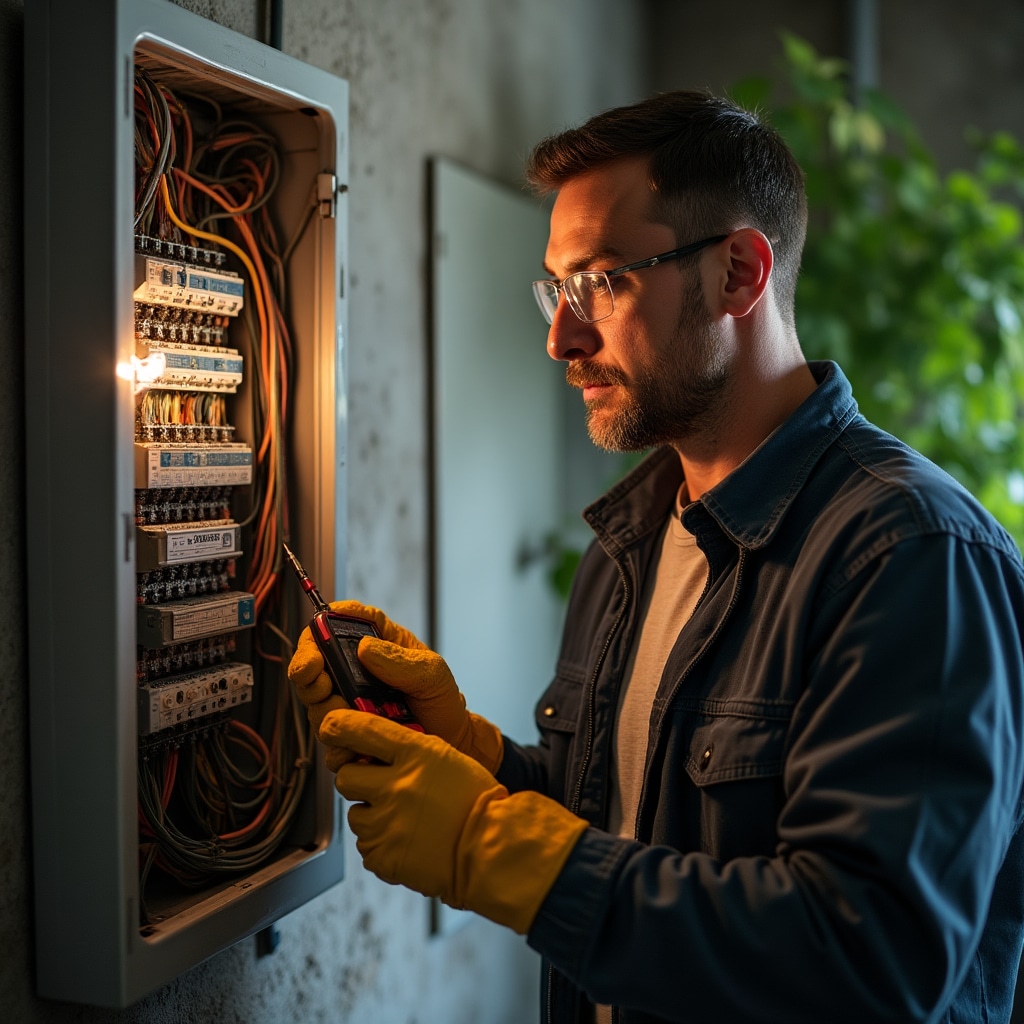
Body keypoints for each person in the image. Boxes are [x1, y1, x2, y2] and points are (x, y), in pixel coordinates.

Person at [288, 91, 1024, 1023]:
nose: (562, 335)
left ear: (739, 274)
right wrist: (471, 759)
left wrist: (491, 847)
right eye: (556, 289)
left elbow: (870, 958)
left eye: (601, 281)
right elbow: (620, 826)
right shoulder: (633, 538)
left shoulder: (911, 555)